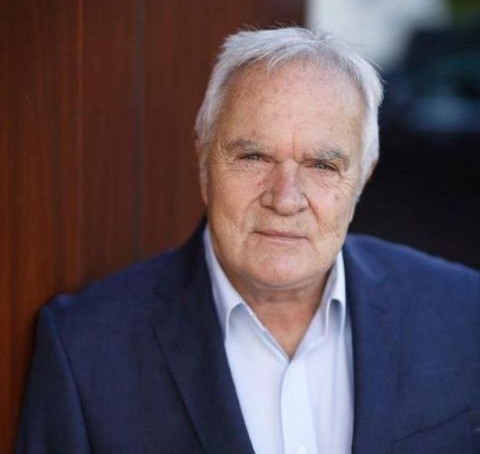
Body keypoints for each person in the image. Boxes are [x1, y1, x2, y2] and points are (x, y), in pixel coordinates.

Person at [16, 27, 480, 454]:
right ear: (203, 157)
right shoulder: (85, 349)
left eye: (322, 165)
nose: (285, 198)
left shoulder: (463, 313)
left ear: (363, 175)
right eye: (253, 156)